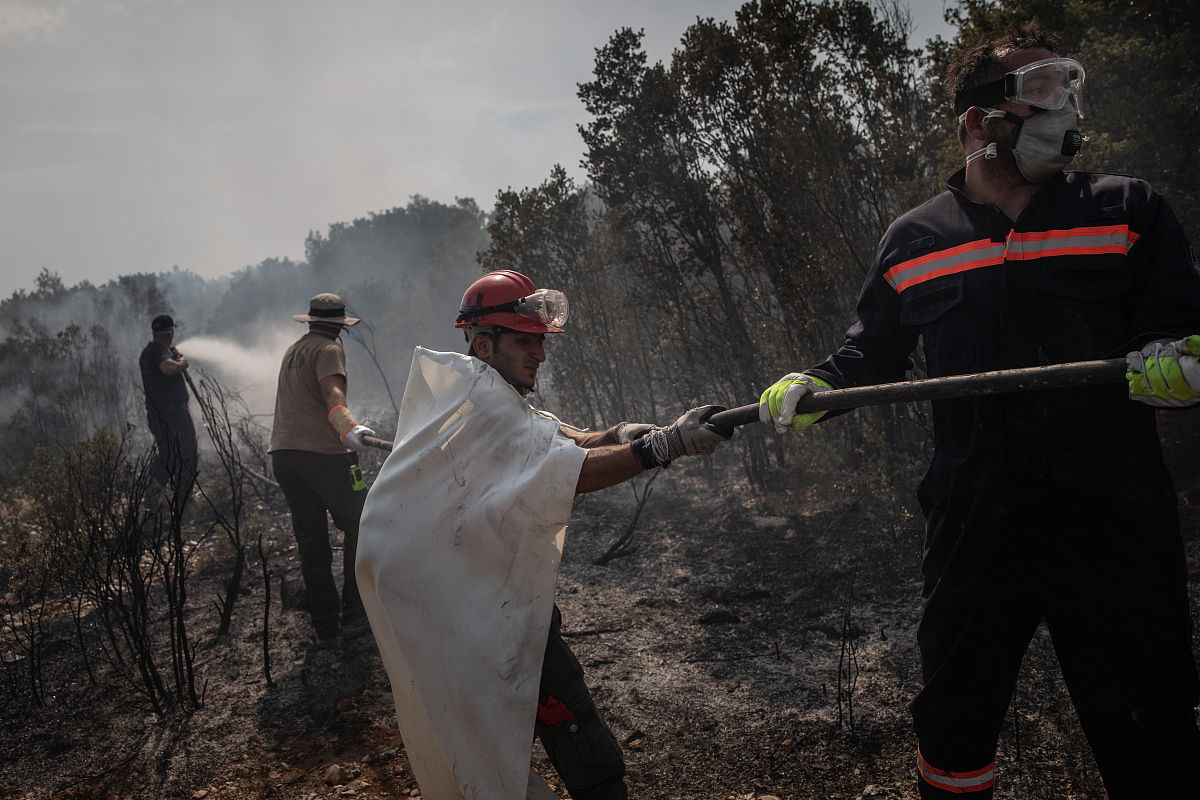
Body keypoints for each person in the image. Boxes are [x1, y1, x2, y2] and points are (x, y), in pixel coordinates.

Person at [759, 25, 1200, 800]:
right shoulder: (913, 239)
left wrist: (1179, 356)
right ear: (977, 120)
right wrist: (813, 384)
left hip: (1115, 520)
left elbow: (1179, 321)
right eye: (1039, 92)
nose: (1064, 110)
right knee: (954, 723)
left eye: (1068, 91)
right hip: (974, 523)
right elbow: (871, 352)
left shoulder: (1126, 209)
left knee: (1151, 719)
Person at [356, 270, 732, 800]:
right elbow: (565, 472)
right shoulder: (486, 404)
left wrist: (618, 434)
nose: (540, 354)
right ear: (484, 345)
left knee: (489, 739)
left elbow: (555, 438)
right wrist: (661, 447)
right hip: (479, 610)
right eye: (524, 341)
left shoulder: (476, 392)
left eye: (540, 340)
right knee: (571, 727)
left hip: (461, 595)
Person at [268, 293, 377, 648]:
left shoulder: (294, 350)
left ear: (312, 321)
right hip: (322, 455)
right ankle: (356, 613)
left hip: (284, 456)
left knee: (312, 542)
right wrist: (349, 428)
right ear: (340, 326)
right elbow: (332, 393)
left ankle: (325, 628)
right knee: (363, 524)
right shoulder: (329, 350)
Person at [139, 313, 198, 515]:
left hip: (159, 415)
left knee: (168, 455)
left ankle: (152, 499)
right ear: (170, 332)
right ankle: (182, 502)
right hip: (173, 415)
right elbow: (168, 369)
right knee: (186, 455)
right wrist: (182, 363)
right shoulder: (158, 352)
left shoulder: (148, 353)